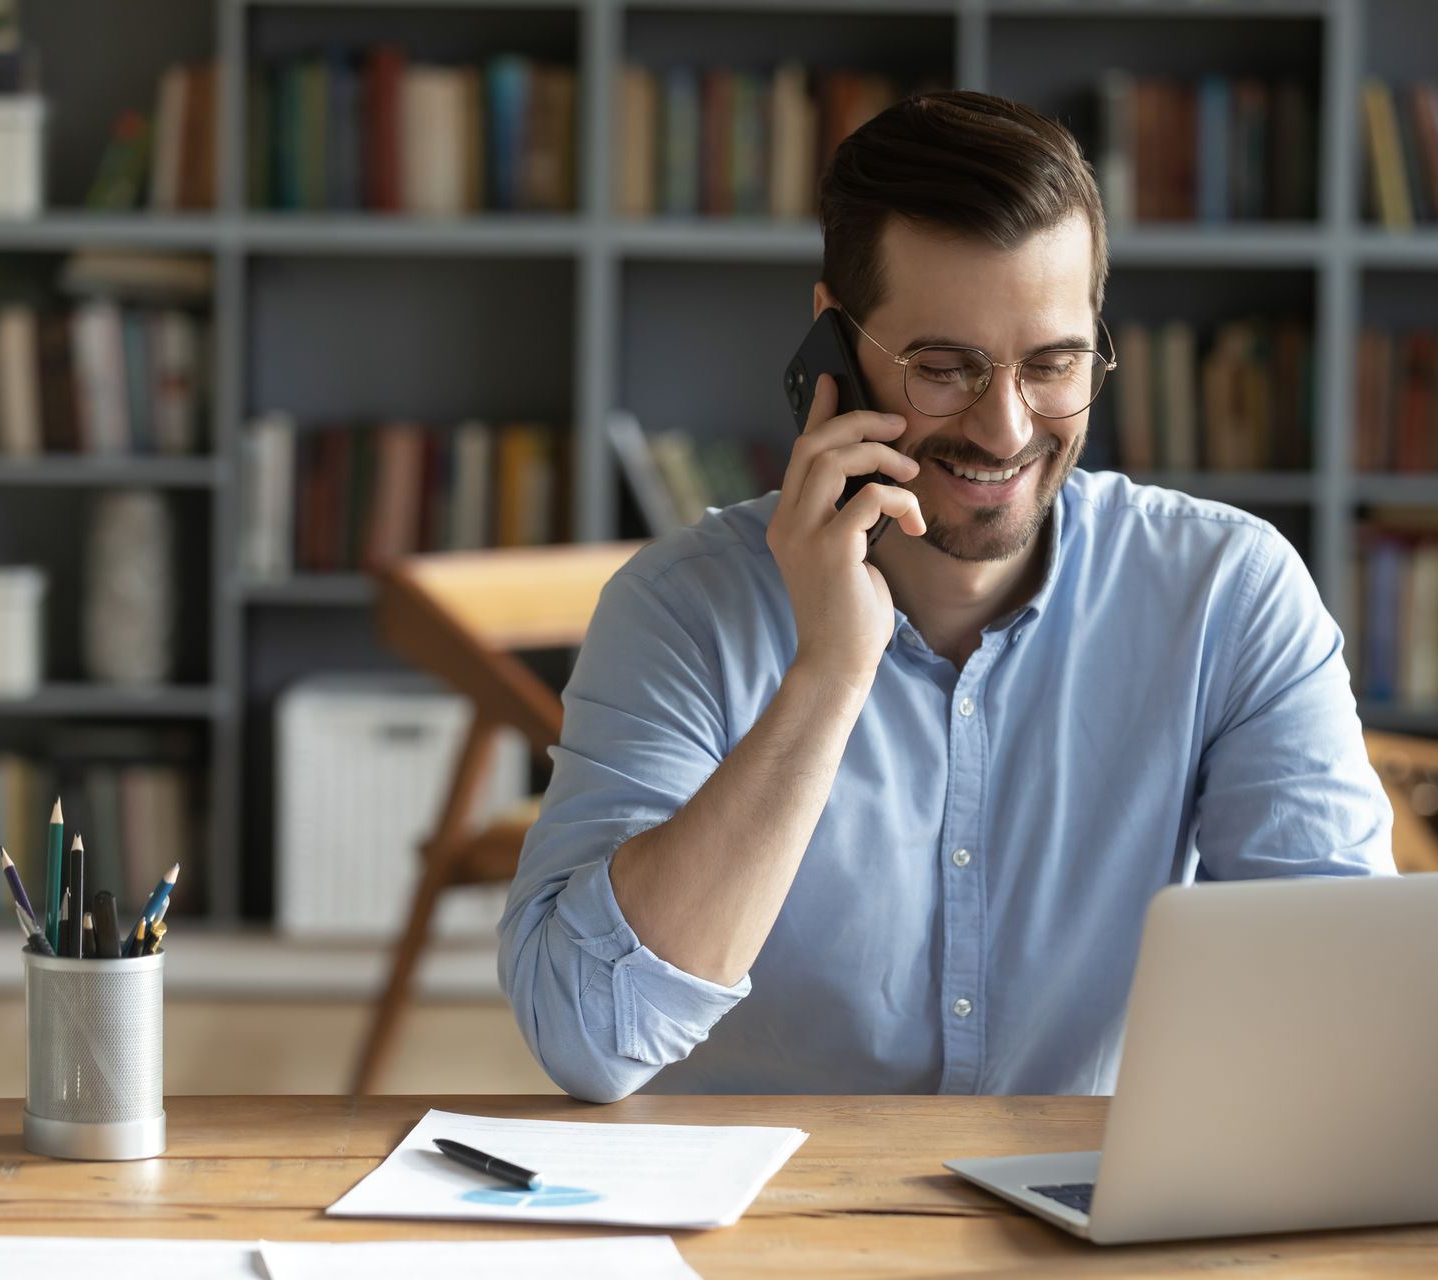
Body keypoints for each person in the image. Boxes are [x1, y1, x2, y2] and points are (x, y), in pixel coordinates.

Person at [500, 91, 1393, 1104]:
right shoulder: (680, 609)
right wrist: (831, 673)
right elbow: (587, 1036)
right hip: (770, 1228)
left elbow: (1340, 1003)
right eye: (946, 368)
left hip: (1080, 1230)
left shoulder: (1227, 594)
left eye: (1053, 365)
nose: (1007, 428)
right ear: (830, 344)